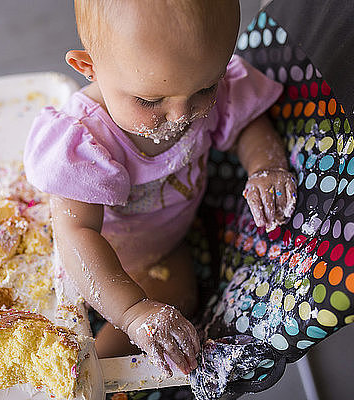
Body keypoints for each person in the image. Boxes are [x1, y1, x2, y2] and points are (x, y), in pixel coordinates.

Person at [24, 0, 296, 377]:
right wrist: (134, 312)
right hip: (92, 258)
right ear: (90, 68)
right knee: (134, 315)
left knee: (181, 297)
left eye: (206, 89)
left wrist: (265, 166)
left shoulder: (188, 82)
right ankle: (81, 375)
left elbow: (247, 124)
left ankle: (96, 372)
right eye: (150, 100)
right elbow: (77, 233)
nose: (182, 116)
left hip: (158, 255)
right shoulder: (87, 141)